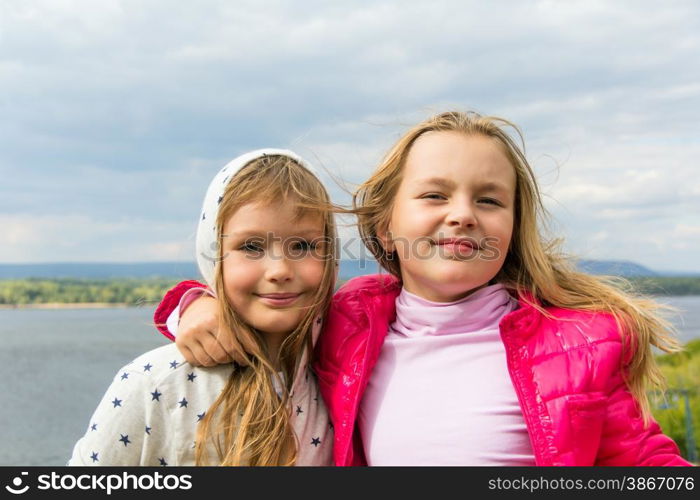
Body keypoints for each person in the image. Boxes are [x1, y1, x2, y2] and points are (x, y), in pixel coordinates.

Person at [153, 112, 692, 466]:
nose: (462, 215)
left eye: (489, 200)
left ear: (512, 229)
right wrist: (194, 306)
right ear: (386, 226)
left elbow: (645, 465)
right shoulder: (348, 323)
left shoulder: (578, 344)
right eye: (434, 195)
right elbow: (266, 307)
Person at [69, 150, 336, 466]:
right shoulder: (154, 383)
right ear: (213, 257)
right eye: (251, 246)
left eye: (303, 246)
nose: (279, 270)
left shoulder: (347, 371)